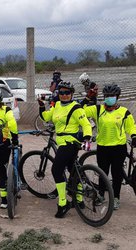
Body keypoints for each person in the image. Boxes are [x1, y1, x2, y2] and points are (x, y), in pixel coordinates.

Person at [38, 81, 93, 218]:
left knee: (56, 170)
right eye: (61, 92)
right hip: (62, 141)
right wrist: (41, 107)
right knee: (73, 170)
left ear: (72, 94)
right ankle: (79, 201)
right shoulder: (56, 105)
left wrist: (87, 138)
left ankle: (63, 203)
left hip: (70, 142)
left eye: (67, 93)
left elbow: (86, 124)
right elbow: (46, 117)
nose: (64, 95)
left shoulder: (76, 108)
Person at [84, 84, 136, 210]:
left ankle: (116, 198)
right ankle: (101, 195)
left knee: (117, 174)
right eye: (107, 96)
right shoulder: (98, 110)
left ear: (117, 97)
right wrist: (88, 98)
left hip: (118, 148)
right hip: (103, 147)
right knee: (102, 172)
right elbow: (80, 111)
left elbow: (131, 126)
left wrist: (134, 137)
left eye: (112, 96)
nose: (109, 98)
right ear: (104, 97)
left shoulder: (124, 112)